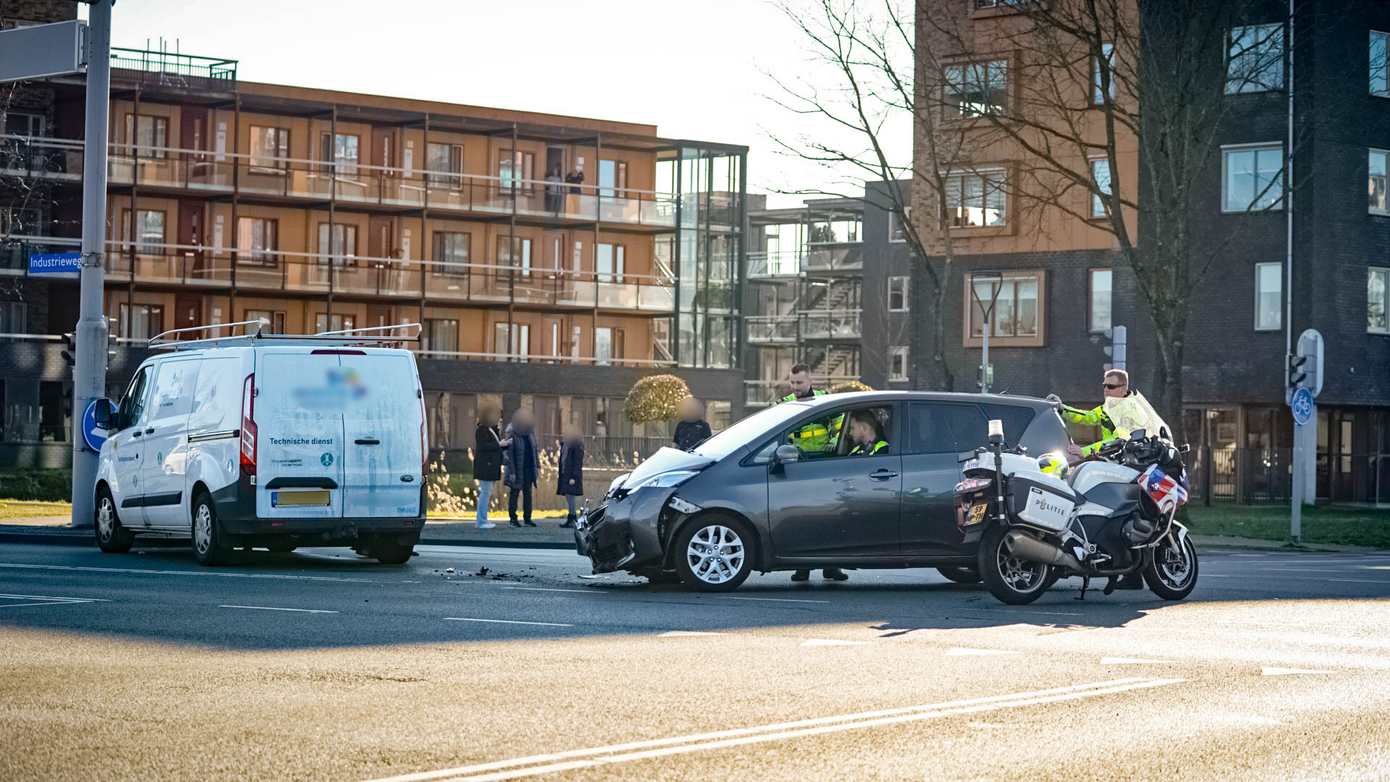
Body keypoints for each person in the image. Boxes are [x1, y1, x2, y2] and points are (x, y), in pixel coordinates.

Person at [782, 364, 849, 584]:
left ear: (811, 381)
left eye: (799, 382)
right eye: (792, 382)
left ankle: (832, 566)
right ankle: (803, 567)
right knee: (803, 518)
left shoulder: (824, 400)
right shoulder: (786, 404)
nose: (795, 387)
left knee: (830, 516)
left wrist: (833, 442)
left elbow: (840, 425)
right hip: (799, 466)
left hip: (825, 464)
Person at [1050, 369, 1172, 459]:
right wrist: (1061, 408)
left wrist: (1084, 451)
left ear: (1123, 389)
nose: (1106, 389)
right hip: (1111, 458)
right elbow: (1088, 417)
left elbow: (1118, 440)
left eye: (1111, 386)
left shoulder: (1129, 410)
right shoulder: (1109, 406)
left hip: (1124, 461)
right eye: (1104, 385)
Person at [502, 409, 540, 527]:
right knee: (515, 493)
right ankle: (513, 519)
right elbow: (509, 455)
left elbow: (534, 451)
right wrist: (512, 472)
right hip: (517, 469)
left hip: (528, 469)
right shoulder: (512, 433)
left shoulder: (530, 433)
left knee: (528, 494)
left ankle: (527, 518)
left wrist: (537, 466)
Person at [472, 404, 505, 530]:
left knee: (486, 493)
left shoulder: (491, 429)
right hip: (485, 466)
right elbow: (483, 447)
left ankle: (483, 519)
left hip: (490, 466)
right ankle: (481, 521)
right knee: (485, 493)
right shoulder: (482, 430)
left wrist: (501, 441)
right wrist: (499, 444)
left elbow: (494, 445)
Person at [557, 424, 586, 528]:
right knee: (568, 496)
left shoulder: (577, 444)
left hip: (571, 475)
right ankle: (571, 516)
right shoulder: (565, 443)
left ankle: (573, 517)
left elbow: (577, 462)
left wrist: (574, 476)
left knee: (571, 496)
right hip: (565, 474)